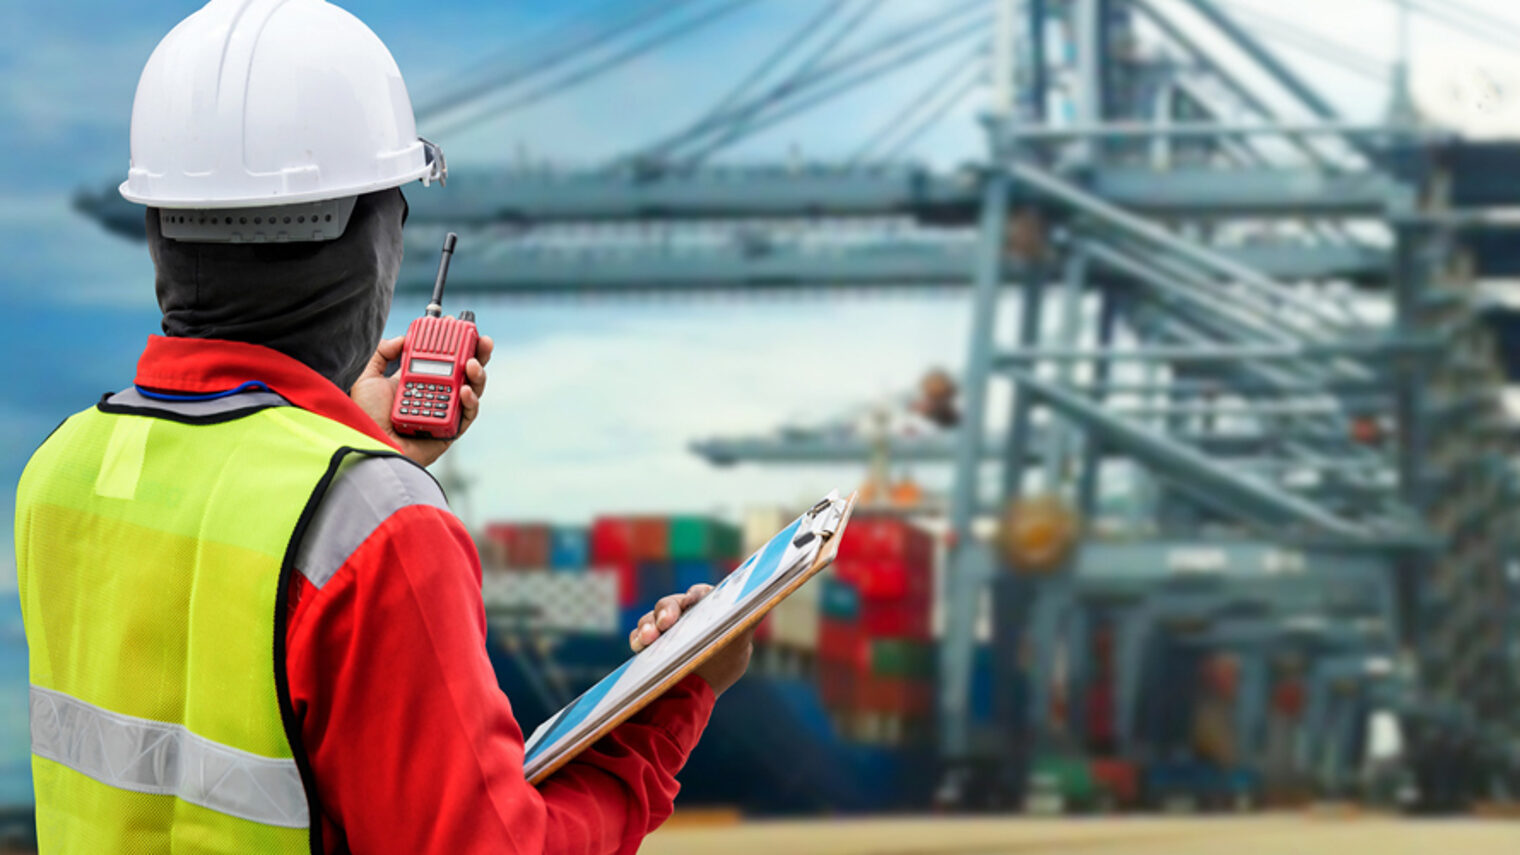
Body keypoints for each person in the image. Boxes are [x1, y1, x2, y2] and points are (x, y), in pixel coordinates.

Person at [14, 1, 752, 852]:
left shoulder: (57, 471)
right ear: (380, 241)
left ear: (157, 229)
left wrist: (332, 445)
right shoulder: (380, 531)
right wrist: (672, 705)